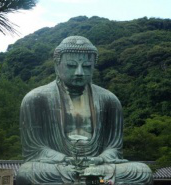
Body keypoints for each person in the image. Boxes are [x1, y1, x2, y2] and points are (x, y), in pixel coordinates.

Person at [16, 36, 153, 185]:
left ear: (94, 66)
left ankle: (86, 179)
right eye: (71, 65)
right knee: (27, 172)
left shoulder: (109, 100)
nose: (80, 72)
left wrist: (99, 160)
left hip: (99, 166)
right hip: (59, 166)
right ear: (57, 65)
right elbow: (35, 149)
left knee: (142, 171)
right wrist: (65, 160)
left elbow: (114, 148)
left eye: (87, 66)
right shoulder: (36, 98)